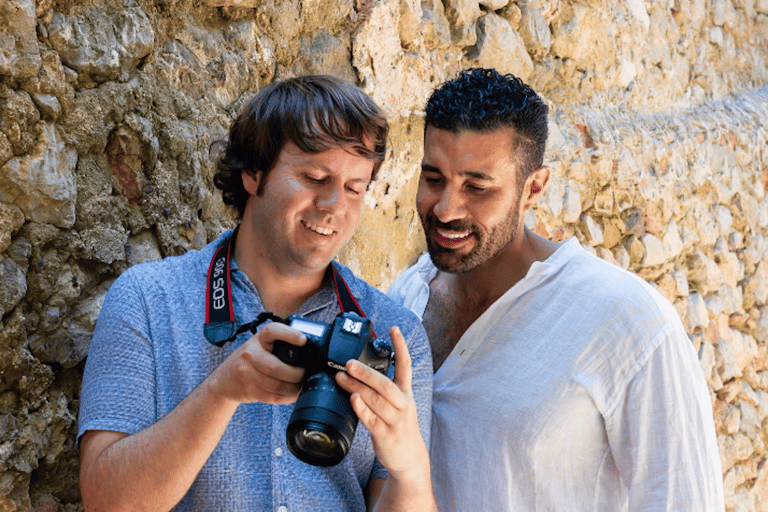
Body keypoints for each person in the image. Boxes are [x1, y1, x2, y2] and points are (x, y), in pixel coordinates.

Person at [78, 75, 437, 512]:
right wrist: (221, 391)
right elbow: (106, 501)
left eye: (354, 187)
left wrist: (409, 469)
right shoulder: (148, 299)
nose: (334, 206)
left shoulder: (397, 337)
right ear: (253, 172)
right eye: (314, 176)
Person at [388, 68, 725, 511]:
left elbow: (685, 500)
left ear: (534, 189)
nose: (447, 209)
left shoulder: (628, 320)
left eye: (477, 186)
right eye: (434, 179)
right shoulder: (403, 297)